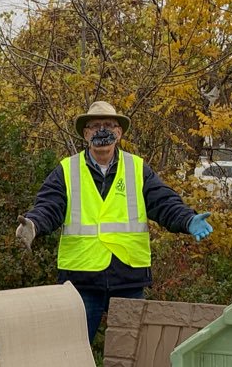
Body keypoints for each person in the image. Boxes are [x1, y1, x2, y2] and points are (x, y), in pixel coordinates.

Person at [15, 101, 214, 344]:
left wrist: (187, 219)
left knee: (130, 351)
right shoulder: (66, 170)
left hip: (128, 278)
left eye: (108, 125)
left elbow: (163, 202)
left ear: (118, 133)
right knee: (74, 350)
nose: (102, 130)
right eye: (95, 126)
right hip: (81, 280)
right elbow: (49, 206)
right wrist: (34, 224)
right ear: (86, 134)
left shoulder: (137, 168)